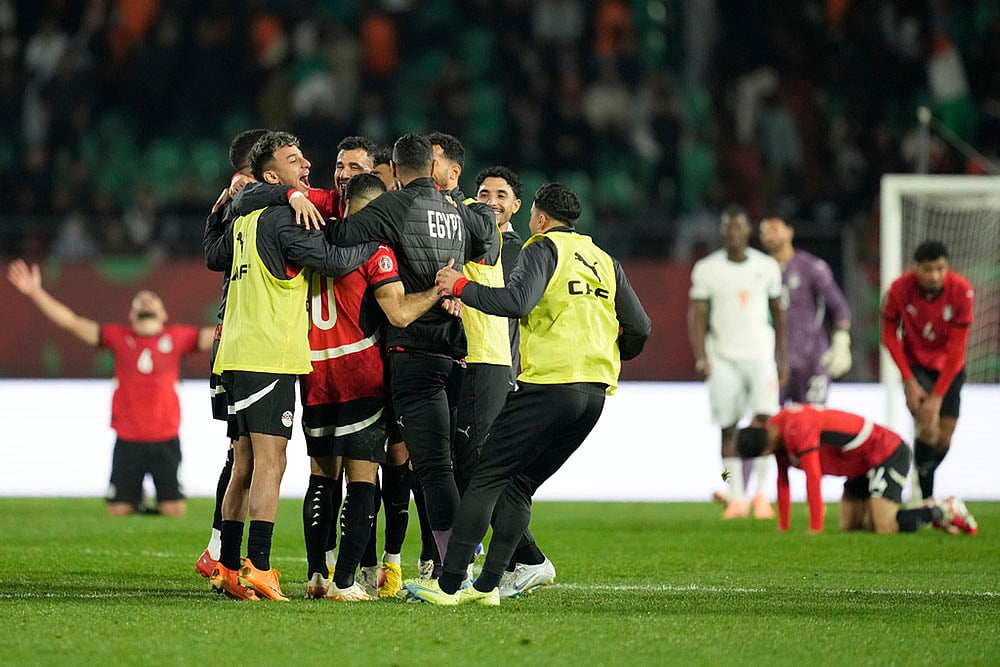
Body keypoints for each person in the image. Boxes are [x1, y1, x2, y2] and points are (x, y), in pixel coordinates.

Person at [406, 182, 651, 605]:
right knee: (517, 484)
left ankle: (449, 585)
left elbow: (517, 301)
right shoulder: (605, 260)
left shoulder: (542, 248)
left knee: (486, 476)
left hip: (550, 385)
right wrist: (614, 351)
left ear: (538, 217)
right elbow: (641, 327)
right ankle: (487, 588)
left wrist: (460, 286)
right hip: (593, 394)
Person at [209, 130, 377, 602]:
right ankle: (259, 566)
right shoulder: (285, 218)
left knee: (243, 463)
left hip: (236, 354)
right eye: (292, 160)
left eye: (304, 157)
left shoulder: (243, 220)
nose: (306, 165)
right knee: (272, 462)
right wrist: (376, 241)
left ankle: (226, 564)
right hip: (270, 353)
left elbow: (211, 254)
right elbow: (335, 262)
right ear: (270, 174)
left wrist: (224, 203)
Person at [323, 132, 497, 578]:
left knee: (433, 466)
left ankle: (452, 566)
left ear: (396, 171)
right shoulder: (455, 210)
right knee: (447, 463)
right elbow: (483, 247)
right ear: (434, 167)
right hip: (456, 350)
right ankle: (453, 558)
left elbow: (341, 235)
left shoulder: (395, 205)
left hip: (414, 350)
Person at [7, 261, 214, 517]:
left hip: (166, 438)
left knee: (174, 510)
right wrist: (35, 292)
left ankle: (143, 504)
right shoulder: (118, 337)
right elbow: (71, 322)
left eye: (152, 300)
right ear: (131, 314)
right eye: (141, 300)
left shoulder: (178, 337)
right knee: (117, 510)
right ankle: (135, 501)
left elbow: (217, 335)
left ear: (164, 315)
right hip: (128, 438)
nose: (146, 302)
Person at [473, 165, 557, 598]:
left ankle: (526, 558)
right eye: (484, 193)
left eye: (501, 195)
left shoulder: (524, 253)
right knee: (472, 469)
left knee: (489, 472)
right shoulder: (463, 237)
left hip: (499, 371)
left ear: (517, 206)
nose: (491, 201)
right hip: (462, 365)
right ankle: (513, 559)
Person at [196, 127, 268, 579]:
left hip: (240, 339)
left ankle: (219, 550)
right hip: (238, 338)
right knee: (242, 452)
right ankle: (220, 548)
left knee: (242, 451)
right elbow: (217, 258)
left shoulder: (238, 203)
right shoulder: (244, 198)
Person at [736, 404, 977, 535]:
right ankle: (917, 513)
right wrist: (784, 526)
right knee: (851, 527)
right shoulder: (774, 431)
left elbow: (813, 477)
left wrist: (815, 527)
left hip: (885, 451)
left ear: (764, 451)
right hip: (857, 465)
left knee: (884, 527)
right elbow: (783, 480)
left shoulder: (796, 429)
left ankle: (943, 510)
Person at [687, 205, 787, 520]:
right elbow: (697, 315)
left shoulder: (767, 266)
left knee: (765, 426)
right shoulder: (706, 269)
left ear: (748, 231)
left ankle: (761, 495)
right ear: (722, 232)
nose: (733, 234)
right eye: (728, 228)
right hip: (724, 358)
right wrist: (702, 355)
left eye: (739, 228)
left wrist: (782, 355)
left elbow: (779, 312)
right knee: (727, 428)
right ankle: (735, 494)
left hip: (760, 355)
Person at [881, 240, 975, 501]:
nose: (934, 276)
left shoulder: (962, 290)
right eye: (928, 270)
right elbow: (889, 335)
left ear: (947, 268)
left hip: (949, 368)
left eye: (940, 269)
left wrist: (937, 397)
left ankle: (919, 473)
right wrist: (908, 380)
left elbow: (957, 350)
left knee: (943, 439)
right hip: (916, 366)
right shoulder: (899, 289)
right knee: (927, 425)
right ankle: (926, 500)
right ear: (916, 269)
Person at [758, 216, 852, 405]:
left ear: (789, 232)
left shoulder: (811, 268)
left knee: (811, 423)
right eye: (764, 231)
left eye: (774, 229)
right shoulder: (758, 271)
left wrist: (841, 340)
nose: (769, 235)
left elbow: (839, 307)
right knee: (769, 424)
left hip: (812, 360)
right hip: (772, 362)